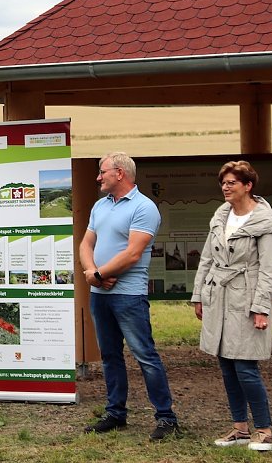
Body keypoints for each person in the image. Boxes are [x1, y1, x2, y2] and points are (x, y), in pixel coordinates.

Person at [79, 152, 180, 440]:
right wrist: (92, 272)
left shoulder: (144, 207)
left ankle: (165, 417)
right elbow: (86, 244)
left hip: (129, 296)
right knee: (110, 356)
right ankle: (115, 414)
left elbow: (133, 253)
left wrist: (98, 275)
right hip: (100, 294)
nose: (98, 177)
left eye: (103, 171)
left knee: (145, 356)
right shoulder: (100, 206)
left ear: (120, 173)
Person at [191, 161, 272, 451]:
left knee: (245, 366)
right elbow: (207, 257)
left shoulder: (265, 222)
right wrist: (199, 295)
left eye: (232, 183)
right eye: (223, 183)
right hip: (218, 296)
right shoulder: (221, 215)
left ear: (248, 186)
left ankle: (264, 431)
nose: (226, 188)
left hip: (247, 299)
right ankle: (240, 428)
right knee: (226, 364)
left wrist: (261, 308)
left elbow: (269, 270)